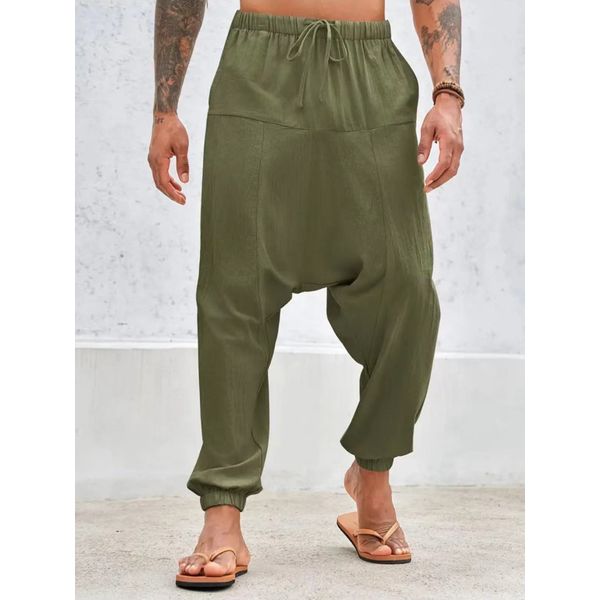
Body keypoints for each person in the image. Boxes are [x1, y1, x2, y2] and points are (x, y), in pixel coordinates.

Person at [148, 0, 463, 590]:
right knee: (234, 291)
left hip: (370, 74)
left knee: (407, 290)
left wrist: (448, 95)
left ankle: (372, 477)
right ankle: (222, 510)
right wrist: (165, 109)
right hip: (257, 70)